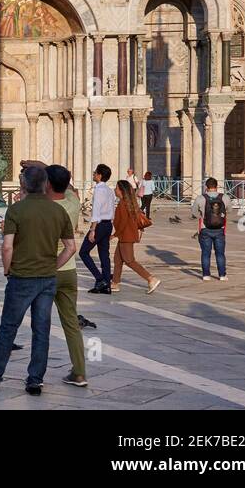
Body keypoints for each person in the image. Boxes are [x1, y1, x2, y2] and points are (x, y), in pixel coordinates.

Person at [0, 163, 76, 395]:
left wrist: (6, 270)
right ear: (45, 185)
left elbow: (7, 247)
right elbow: (70, 248)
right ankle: (35, 381)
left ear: (23, 185)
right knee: (41, 329)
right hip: (47, 278)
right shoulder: (58, 211)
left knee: (8, 328)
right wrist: (53, 266)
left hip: (21, 277)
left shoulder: (16, 210)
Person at [42, 162, 88, 387]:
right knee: (71, 323)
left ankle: (36, 376)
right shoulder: (73, 202)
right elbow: (68, 188)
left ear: (47, 184)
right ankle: (79, 372)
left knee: (41, 324)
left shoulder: (44, 208)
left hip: (46, 271)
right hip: (68, 271)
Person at [110, 179, 159, 294]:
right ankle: (115, 283)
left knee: (129, 260)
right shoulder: (127, 202)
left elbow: (122, 222)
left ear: (121, 190)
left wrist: (114, 235)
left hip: (126, 236)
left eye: (116, 188)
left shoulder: (123, 204)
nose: (115, 190)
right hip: (126, 235)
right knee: (118, 259)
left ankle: (151, 278)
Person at [79, 164, 115, 294]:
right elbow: (112, 209)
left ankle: (100, 279)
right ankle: (106, 285)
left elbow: (96, 211)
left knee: (83, 252)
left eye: (95, 173)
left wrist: (92, 230)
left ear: (99, 175)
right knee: (104, 255)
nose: (93, 174)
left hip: (99, 225)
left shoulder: (99, 190)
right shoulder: (109, 190)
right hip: (108, 225)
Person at [190, 176, 228, 281]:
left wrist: (202, 216)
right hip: (220, 229)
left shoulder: (200, 198)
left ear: (206, 187)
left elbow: (194, 212)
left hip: (205, 229)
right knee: (220, 253)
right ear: (217, 187)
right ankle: (222, 275)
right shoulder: (224, 197)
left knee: (206, 253)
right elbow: (229, 210)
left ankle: (206, 275)